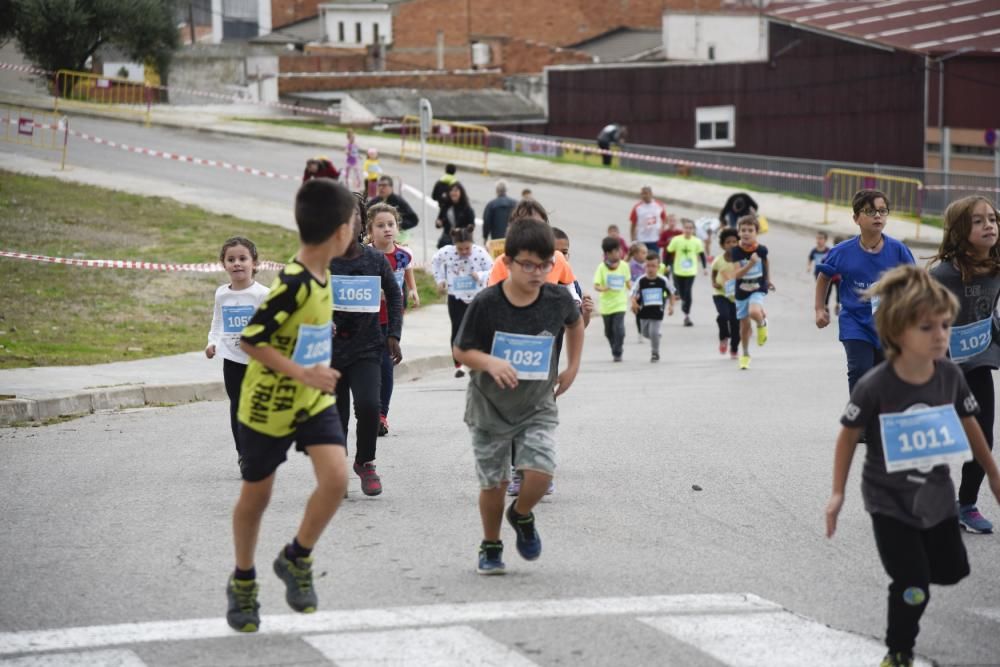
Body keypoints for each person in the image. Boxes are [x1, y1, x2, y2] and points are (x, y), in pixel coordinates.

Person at [825, 264, 1000, 667]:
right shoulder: (877, 384)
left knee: (953, 571)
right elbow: (848, 435)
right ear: (897, 333)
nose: (941, 336)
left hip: (937, 499)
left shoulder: (950, 376)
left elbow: (971, 424)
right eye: (927, 329)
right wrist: (838, 493)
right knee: (913, 582)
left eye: (944, 326)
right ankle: (898, 650)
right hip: (889, 502)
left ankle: (915, 576)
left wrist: (991, 471)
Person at [225, 178, 356, 633]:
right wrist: (303, 371)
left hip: (313, 399)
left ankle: (296, 556)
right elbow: (250, 340)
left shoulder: (324, 274)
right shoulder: (295, 283)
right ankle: (243, 580)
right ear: (341, 231)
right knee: (257, 496)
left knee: (337, 478)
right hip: (267, 403)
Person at [452, 216, 584, 574]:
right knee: (494, 484)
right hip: (489, 407)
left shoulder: (557, 298)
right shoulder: (487, 303)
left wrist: (572, 367)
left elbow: (576, 324)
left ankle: (521, 514)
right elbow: (461, 350)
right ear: (507, 262)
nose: (538, 272)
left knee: (540, 473)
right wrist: (490, 363)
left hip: (537, 404)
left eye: (546, 264)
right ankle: (491, 544)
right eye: (528, 264)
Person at [929, 196, 1000, 534]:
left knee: (983, 436)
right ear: (959, 231)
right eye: (978, 221)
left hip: (977, 363)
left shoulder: (997, 266)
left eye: (993, 219)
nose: (989, 225)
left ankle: (966, 505)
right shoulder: (943, 274)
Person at [329, 194, 403, 497]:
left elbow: (395, 295)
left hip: (368, 347)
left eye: (354, 215)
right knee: (337, 415)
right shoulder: (322, 259)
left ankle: (365, 461)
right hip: (330, 352)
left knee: (370, 407)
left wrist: (393, 334)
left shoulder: (374, 259)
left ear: (362, 221)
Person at [815, 190, 915, 394]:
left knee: (884, 376)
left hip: (888, 324)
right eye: (870, 211)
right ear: (856, 218)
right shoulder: (842, 251)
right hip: (855, 322)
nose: (877, 215)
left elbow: (914, 282)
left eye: (882, 211)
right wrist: (819, 309)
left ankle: (877, 421)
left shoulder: (898, 250)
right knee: (859, 370)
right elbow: (824, 276)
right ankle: (858, 420)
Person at [205, 237, 270, 457]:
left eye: (243, 258)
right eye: (231, 259)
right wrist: (212, 342)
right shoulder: (222, 293)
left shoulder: (262, 294)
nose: (237, 263)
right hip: (232, 359)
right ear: (224, 264)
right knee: (238, 406)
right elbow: (217, 322)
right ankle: (243, 453)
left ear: (255, 263)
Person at [367, 202, 419, 437]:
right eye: (380, 225)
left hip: (392, 318)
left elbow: (407, 269)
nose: (387, 229)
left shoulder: (403, 254)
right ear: (370, 230)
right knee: (371, 366)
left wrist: (412, 289)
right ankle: (367, 410)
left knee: (386, 365)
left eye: (391, 224)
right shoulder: (365, 254)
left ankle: (381, 415)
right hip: (366, 319)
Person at [432, 227, 494, 378]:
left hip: (477, 297)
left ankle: (478, 359)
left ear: (472, 244)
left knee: (478, 329)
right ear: (455, 246)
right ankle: (459, 364)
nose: (465, 252)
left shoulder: (479, 253)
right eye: (461, 249)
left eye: (467, 248)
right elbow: (435, 261)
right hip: (456, 295)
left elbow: (493, 269)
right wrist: (440, 279)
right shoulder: (447, 252)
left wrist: (479, 274)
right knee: (458, 328)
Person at [728, 216, 772, 370]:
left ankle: (762, 323)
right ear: (739, 232)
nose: (746, 233)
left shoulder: (761, 249)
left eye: (750, 230)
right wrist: (751, 263)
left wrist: (768, 280)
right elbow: (737, 275)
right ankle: (745, 354)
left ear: (756, 232)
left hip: (757, 288)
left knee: (754, 311)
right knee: (744, 326)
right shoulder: (736, 251)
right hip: (741, 291)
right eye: (743, 230)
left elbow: (765, 262)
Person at [594, 236, 632, 362]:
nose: (618, 254)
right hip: (606, 306)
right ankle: (614, 348)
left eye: (618, 250)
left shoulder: (624, 266)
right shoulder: (601, 268)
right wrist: (604, 288)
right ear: (607, 254)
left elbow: (628, 282)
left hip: (620, 304)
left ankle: (618, 351)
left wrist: (635, 294)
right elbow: (596, 285)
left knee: (619, 329)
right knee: (609, 332)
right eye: (614, 251)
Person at [665, 218, 707, 327]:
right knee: (681, 292)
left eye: (690, 228)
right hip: (678, 270)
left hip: (691, 271)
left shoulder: (697, 241)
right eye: (686, 228)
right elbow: (668, 253)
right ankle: (684, 303)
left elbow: (702, 254)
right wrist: (665, 266)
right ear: (683, 229)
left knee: (688, 292)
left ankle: (686, 315)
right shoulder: (676, 240)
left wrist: (705, 267)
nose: (688, 230)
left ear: (693, 230)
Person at [631, 252, 672, 362]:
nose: (650, 268)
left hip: (657, 311)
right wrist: (634, 303)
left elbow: (672, 293)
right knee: (645, 333)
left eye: (653, 266)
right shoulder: (641, 280)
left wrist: (671, 306)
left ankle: (655, 352)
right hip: (643, 311)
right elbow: (633, 293)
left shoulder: (663, 280)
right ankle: (656, 338)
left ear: (658, 267)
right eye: (648, 265)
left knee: (653, 332)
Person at [710, 227, 741, 359]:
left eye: (734, 242)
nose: (731, 245)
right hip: (720, 293)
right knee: (723, 316)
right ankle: (723, 337)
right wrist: (714, 282)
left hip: (737, 296)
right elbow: (714, 272)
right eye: (728, 242)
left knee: (735, 324)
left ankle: (734, 348)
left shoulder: (741, 260)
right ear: (722, 245)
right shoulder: (718, 260)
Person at [628, 186, 667, 253]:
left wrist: (662, 228)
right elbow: (633, 225)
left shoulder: (659, 205)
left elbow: (665, 218)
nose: (644, 196)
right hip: (641, 239)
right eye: (642, 194)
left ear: (651, 194)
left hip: (655, 239)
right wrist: (633, 240)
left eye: (646, 193)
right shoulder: (637, 208)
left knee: (654, 260)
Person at [436, 182, 476, 248]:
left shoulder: (467, 208)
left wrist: (463, 229)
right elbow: (439, 221)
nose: (453, 193)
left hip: (462, 241)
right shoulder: (445, 206)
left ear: (461, 193)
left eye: (456, 191)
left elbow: (472, 225)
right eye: (451, 190)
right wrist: (439, 223)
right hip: (447, 241)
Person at [808, 231, 836, 311]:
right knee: (820, 289)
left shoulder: (829, 251)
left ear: (825, 240)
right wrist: (809, 266)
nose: (818, 240)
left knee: (828, 289)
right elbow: (810, 258)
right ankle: (821, 304)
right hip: (817, 273)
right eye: (817, 238)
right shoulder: (814, 250)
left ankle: (825, 304)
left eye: (821, 238)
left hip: (827, 274)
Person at [482, 180, 517, 245]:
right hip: (513, 239)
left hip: (496, 240)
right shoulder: (515, 204)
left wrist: (485, 237)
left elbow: (486, 222)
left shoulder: (491, 205)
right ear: (506, 190)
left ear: (496, 190)